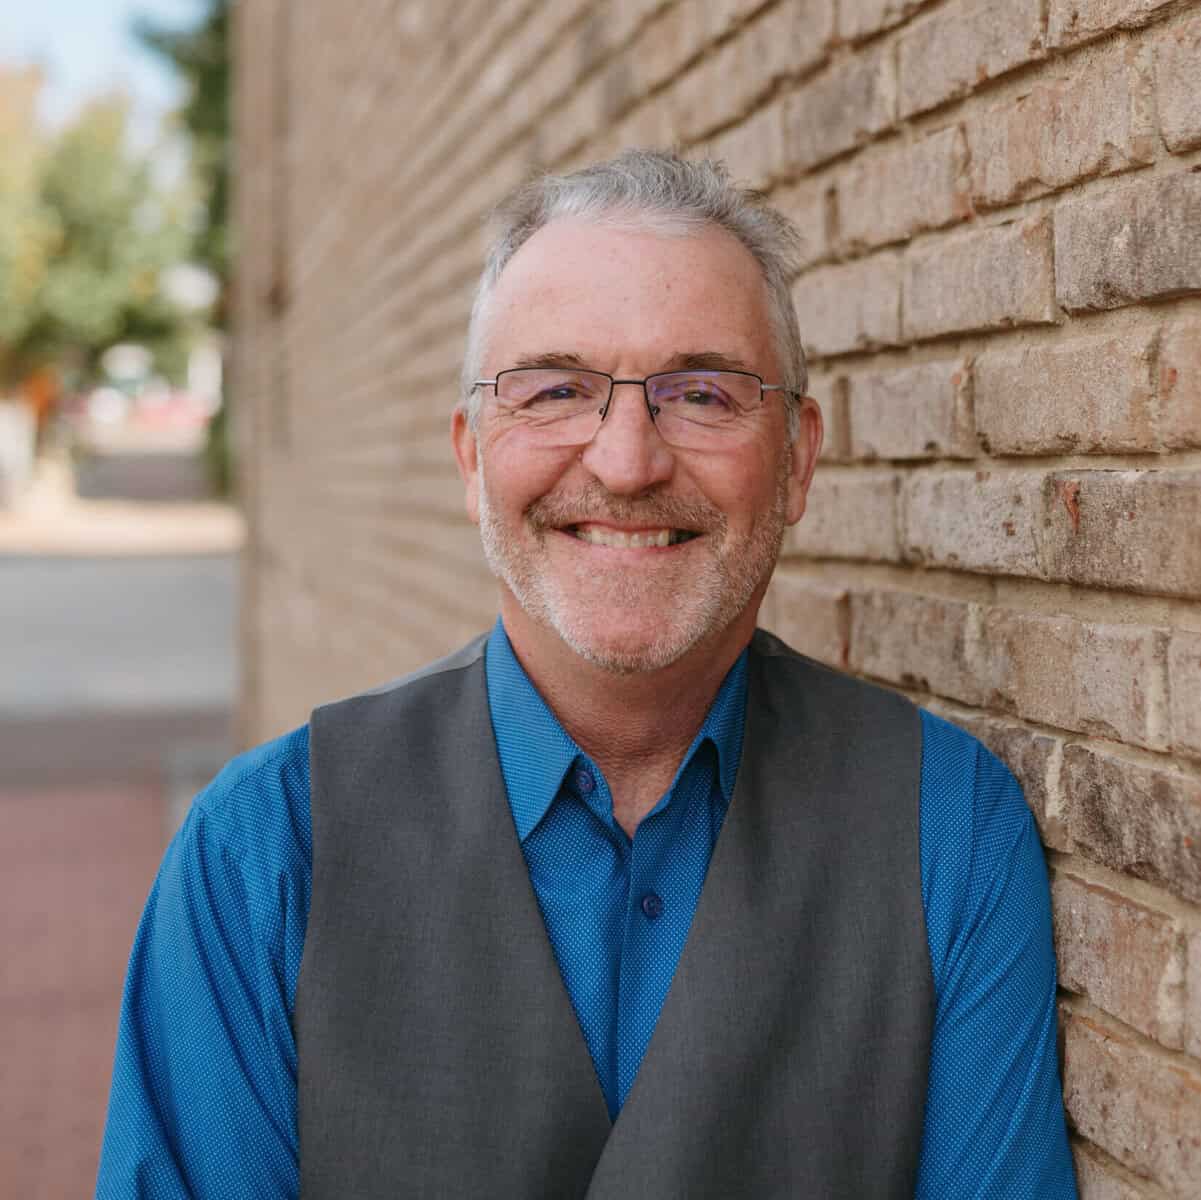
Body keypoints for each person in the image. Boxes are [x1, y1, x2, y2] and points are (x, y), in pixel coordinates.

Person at [97, 150, 1077, 1199]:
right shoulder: (263, 859)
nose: (625, 461)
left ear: (795, 460)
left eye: (701, 393)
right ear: (473, 456)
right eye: (556, 389)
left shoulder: (950, 835)